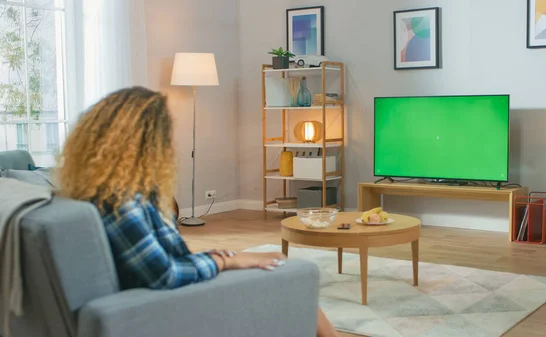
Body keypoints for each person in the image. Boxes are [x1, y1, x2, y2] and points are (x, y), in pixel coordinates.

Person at [57, 87, 337, 337]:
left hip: (171, 292)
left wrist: (226, 256)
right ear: (142, 143)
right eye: (164, 135)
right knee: (288, 271)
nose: (169, 145)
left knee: (273, 259)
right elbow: (163, 275)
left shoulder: (96, 192)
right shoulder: (120, 202)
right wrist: (225, 263)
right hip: (177, 304)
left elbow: (166, 258)